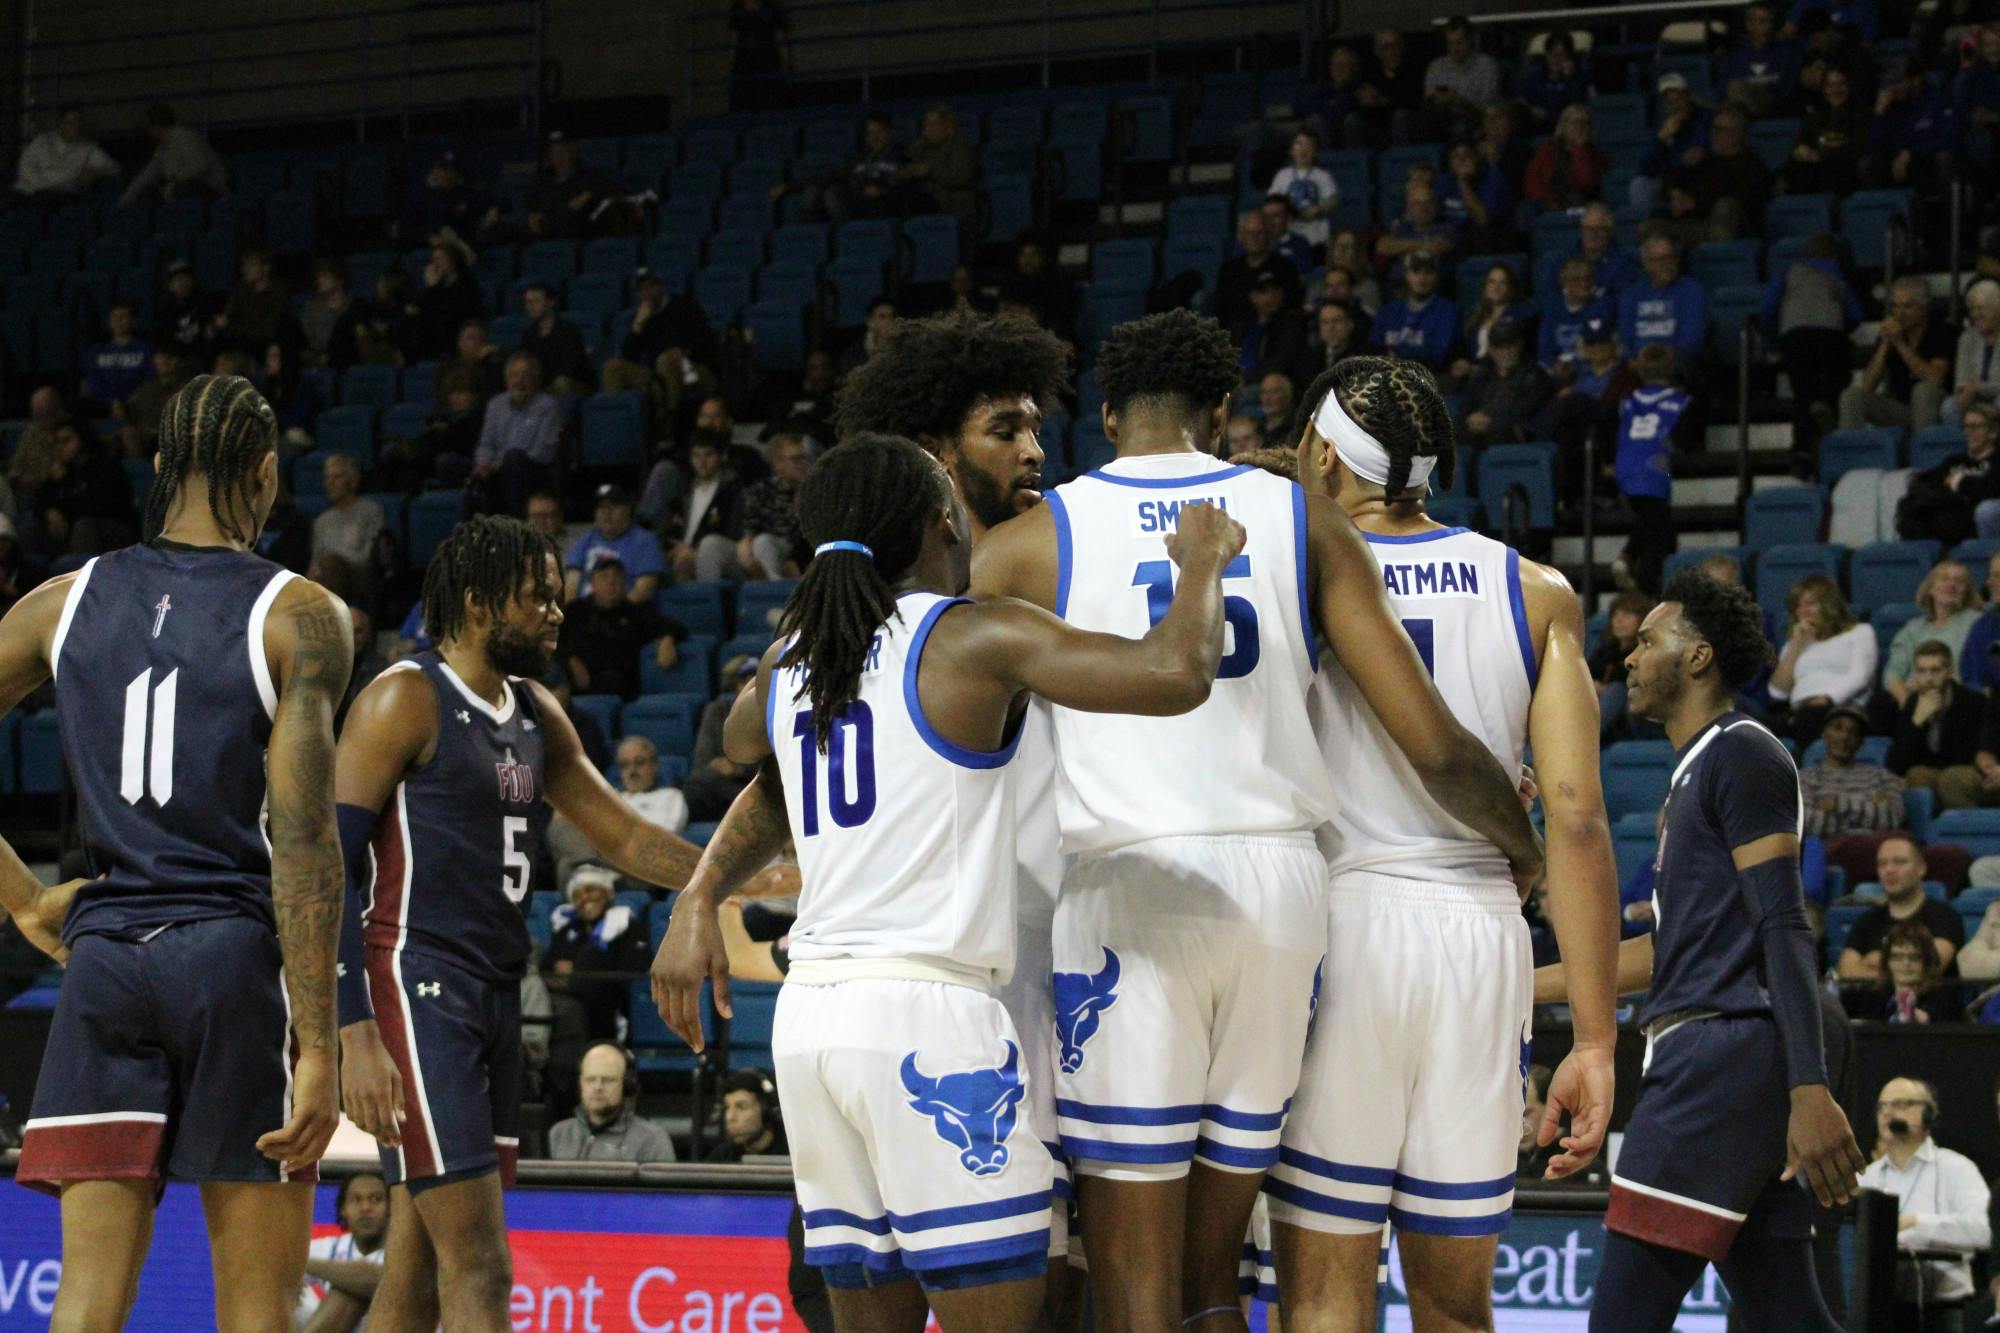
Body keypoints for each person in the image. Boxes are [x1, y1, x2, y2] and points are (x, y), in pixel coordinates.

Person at [969, 316, 1539, 1330]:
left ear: (1108, 416)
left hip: (1129, 888)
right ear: (1223, 411)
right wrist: (1519, 844)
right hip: (1279, 896)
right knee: (1213, 1277)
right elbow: (1434, 743)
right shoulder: (1302, 519)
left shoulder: (1025, 543)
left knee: (1135, 1285)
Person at [653, 431, 1245, 1321]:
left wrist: (699, 892)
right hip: (926, 1016)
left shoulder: (791, 665)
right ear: (942, 521)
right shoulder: (972, 637)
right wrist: (1203, 561)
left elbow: (757, 756)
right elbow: (1176, 671)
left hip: (811, 1023)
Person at [1264, 358, 1618, 1333]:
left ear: (1321, 452)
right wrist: (1593, 1039)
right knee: (1456, 1305)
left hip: (1344, 926)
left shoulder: (1294, 574)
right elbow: (1576, 816)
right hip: (1479, 934)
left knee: (1323, 1295)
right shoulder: (1536, 590)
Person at [0, 374, 351, 1328]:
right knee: (257, 1310)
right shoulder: (300, 613)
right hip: (231, 959)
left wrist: (25, 897)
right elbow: (306, 843)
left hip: (106, 961)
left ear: (160, 466)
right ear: (267, 473)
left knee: (84, 1304)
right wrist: (321, 1044)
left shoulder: (63, 600)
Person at [332, 515, 706, 1331]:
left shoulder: (535, 709)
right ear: (477, 602)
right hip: (418, 983)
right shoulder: (404, 697)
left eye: (558, 596)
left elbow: (625, 836)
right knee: (482, 1265)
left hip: (497, 988)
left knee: (418, 1265)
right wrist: (351, 1028)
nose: (557, 612)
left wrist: (730, 875)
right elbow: (329, 866)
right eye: (538, 597)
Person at [1533, 571, 1863, 1332]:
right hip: (1731, 1052)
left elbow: (1784, 922)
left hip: (1719, 1057)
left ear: (1698, 656)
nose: (1630, 653)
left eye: (1649, 640)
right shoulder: (1698, 769)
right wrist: (1517, 982)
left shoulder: (1742, 752)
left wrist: (1810, 1087)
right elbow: (1671, 951)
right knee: (1788, 1315)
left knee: (1624, 1319)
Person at [830, 307, 1079, 1316]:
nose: (1033, 450)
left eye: (1035, 427)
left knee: (1058, 1289)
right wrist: (701, 892)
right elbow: (771, 770)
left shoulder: (1060, 564)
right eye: (1003, 429)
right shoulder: (870, 615)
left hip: (1049, 969)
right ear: (936, 452)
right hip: (939, 981)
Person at [1857, 1077, 1993, 1329]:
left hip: (1942, 1312)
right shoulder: (1866, 1178)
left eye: (1900, 1104)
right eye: (1882, 1106)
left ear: (1929, 1114)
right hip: (1876, 1309)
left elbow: (1984, 1231)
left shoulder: (1957, 1168)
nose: (1887, 1113)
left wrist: (1915, 1223)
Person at [1761, 233, 1860, 448]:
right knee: (1838, 379)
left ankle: (1803, 449)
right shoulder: (1838, 276)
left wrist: (1771, 343)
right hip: (1831, 335)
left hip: (1794, 336)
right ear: (1835, 256)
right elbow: (1855, 315)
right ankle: (1828, 411)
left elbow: (1767, 308)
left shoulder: (1788, 272)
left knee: (1803, 394)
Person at [1613, 345, 1690, 595]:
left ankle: (1627, 555)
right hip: (1655, 468)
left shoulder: (1627, 401)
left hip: (1626, 466)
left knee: (1649, 521)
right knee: (1661, 537)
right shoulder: (1680, 400)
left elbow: (1606, 427)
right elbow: (1685, 438)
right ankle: (1643, 588)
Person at [1837, 835, 1967, 978]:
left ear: (1921, 868)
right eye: (1882, 864)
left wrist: (1873, 959)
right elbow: (1846, 973)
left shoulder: (1945, 917)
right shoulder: (1865, 921)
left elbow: (1927, 969)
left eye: (1899, 862)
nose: (1889, 870)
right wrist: (1903, 963)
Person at [1771, 573, 1878, 744]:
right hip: (1798, 710)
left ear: (1829, 605)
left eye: (1809, 604)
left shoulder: (1860, 632)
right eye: (1798, 607)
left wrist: (1827, 699)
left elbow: (1861, 677)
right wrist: (1796, 645)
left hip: (1841, 707)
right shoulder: (1794, 644)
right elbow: (1777, 693)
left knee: (1809, 720)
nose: (1802, 612)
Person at [558, 556, 683, 701]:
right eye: (604, 576)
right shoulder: (575, 610)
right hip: (573, 680)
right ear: (593, 584)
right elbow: (548, 639)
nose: (611, 582)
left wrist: (668, 640)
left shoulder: (635, 613)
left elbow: (674, 627)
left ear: (624, 584)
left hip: (616, 685)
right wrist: (570, 660)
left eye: (617, 577)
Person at [1841, 277, 1953, 430]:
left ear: (1924, 306)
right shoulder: (1894, 333)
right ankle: (1849, 444)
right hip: (1901, 408)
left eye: (1907, 306)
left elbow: (1935, 379)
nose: (1900, 313)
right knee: (1852, 396)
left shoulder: (1944, 331)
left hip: (1936, 405)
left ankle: (1924, 444)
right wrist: (1886, 343)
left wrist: (1900, 344)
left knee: (1923, 390)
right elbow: (1867, 385)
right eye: (1895, 306)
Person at [1883, 562, 1984, 719]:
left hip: (1956, 700)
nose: (1951, 585)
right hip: (1911, 699)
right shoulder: (1913, 628)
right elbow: (1893, 673)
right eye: (1944, 578)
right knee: (1880, 704)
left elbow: (1978, 675)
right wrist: (1908, 705)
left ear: (1967, 591)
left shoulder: (1978, 623)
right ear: (1930, 588)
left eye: (1959, 581)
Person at [1889, 640, 1987, 803]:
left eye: (1935, 671)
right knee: (1916, 775)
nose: (1928, 678)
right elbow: (1894, 766)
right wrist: (1917, 722)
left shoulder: (1973, 702)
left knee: (1951, 778)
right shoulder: (1913, 704)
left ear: (1949, 672)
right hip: (1932, 774)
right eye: (1922, 671)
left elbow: (1967, 755)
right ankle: (1927, 821)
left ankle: (1962, 821)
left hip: (1966, 772)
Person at [547, 1044, 678, 1162]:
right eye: (590, 1079)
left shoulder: (652, 1140)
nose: (598, 1087)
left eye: (608, 1080)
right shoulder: (559, 1134)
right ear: (580, 1084)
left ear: (626, 1086)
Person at [295, 1172, 390, 1331]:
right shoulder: (328, 1246)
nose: (365, 1208)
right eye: (356, 1200)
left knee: (348, 1294)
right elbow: (278, 1268)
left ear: (391, 1208)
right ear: (343, 1209)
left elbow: (377, 1281)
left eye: (375, 1199)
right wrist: (286, 1286)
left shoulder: (406, 1250)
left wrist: (304, 1265)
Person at [471, 351, 562, 515]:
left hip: (531, 470)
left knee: (513, 458)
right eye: (514, 375)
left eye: (526, 375)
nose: (519, 381)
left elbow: (544, 451)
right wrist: (484, 463)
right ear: (507, 379)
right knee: (448, 463)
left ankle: (515, 523)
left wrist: (502, 463)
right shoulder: (496, 404)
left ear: (536, 380)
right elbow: (486, 443)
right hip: (495, 470)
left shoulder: (548, 406)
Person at [1901, 403, 2000, 545]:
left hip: (1981, 523)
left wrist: (1958, 482)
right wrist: (1968, 488)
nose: (1968, 432)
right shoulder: (1953, 461)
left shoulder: (1997, 460)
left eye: (1975, 427)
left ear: (1993, 432)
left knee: (1985, 510)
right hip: (1953, 521)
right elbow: (1933, 485)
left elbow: (1991, 488)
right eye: (1965, 427)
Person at [662, 430, 747, 583]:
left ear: (721, 456)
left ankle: (707, 596)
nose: (702, 462)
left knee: (707, 546)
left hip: (723, 552)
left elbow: (732, 532)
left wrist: (693, 550)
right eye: (696, 455)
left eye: (708, 455)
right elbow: (672, 530)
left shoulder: (732, 489)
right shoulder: (684, 491)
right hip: (683, 553)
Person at [563, 483, 664, 604]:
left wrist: (615, 613)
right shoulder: (585, 540)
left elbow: (644, 589)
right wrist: (572, 611)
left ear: (628, 509)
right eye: (601, 507)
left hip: (626, 611)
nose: (607, 512)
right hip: (586, 611)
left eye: (614, 505)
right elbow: (571, 587)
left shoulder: (645, 541)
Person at [1457, 319, 1550, 449]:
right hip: (1476, 428)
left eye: (1509, 346)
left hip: (1511, 432)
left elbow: (1527, 410)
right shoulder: (1482, 374)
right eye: (1499, 347)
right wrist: (1471, 419)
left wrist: (1491, 422)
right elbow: (1466, 406)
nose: (1505, 352)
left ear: (1519, 345)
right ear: (1490, 349)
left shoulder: (1535, 375)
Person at [1847, 921, 1966, 1023]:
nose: (1905, 964)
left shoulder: (1945, 999)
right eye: (1897, 957)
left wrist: (1922, 1018)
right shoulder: (1873, 998)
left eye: (1914, 957)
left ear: (1927, 962)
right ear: (1887, 962)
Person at [1617, 231, 1707, 363]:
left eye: (1670, 257)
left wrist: (1663, 361)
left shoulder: (1692, 291)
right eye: (1660, 260)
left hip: (1676, 363)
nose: (1667, 264)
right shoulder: (1631, 295)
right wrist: (1636, 360)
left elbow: (1691, 340)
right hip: (1639, 364)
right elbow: (1626, 338)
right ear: (1647, 264)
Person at [119, 103, 227, 205]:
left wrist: (174, 181)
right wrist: (126, 199)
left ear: (156, 126)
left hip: (212, 190)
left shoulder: (185, 137)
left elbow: (200, 166)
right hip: (188, 191)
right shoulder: (163, 148)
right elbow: (147, 175)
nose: (148, 131)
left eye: (149, 127)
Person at [1214, 211, 1302, 333]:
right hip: (1236, 332)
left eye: (1259, 233)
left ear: (1269, 235)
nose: (1254, 238)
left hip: (1277, 331)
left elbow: (1292, 305)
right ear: (1241, 237)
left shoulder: (1285, 268)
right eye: (1249, 233)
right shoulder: (1229, 270)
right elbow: (1221, 309)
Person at [737, 433, 810, 579]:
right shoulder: (761, 490)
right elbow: (750, 524)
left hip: (799, 550)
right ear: (778, 463)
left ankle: (775, 587)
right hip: (765, 548)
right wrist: (746, 541)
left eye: (804, 458)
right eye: (796, 459)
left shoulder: (812, 491)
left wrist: (796, 560)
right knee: (759, 543)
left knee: (763, 542)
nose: (802, 464)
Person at [1786, 66, 1868, 196]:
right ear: (1823, 89)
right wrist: (1801, 151)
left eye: (1841, 84)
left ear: (1849, 86)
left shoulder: (1861, 116)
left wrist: (1821, 156)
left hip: (1846, 175)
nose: (1836, 90)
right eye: (1830, 86)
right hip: (1816, 174)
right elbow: (1801, 144)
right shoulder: (1814, 118)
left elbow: (1859, 149)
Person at [1370, 253, 1457, 371]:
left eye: (1429, 273)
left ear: (1437, 276)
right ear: (1406, 275)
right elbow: (1373, 347)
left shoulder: (1447, 311)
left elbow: (1439, 355)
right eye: (1416, 272)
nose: (1422, 278)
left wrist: (1397, 354)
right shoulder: (1388, 311)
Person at [895, 103, 980, 223]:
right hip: (925, 198)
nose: (929, 129)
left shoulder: (961, 148)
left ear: (948, 127)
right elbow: (903, 167)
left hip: (952, 202)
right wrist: (906, 172)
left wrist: (931, 171)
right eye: (926, 124)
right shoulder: (919, 147)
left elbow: (961, 177)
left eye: (935, 124)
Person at [1422, 16, 1502, 142]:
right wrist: (1436, 98)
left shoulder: (1487, 65)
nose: (1455, 49)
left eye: (1459, 43)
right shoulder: (1436, 66)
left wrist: (1459, 101)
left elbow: (1487, 107)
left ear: (1470, 40)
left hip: (1474, 120)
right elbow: (1428, 97)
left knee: (1463, 126)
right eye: (1450, 43)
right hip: (1441, 119)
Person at [310, 453, 385, 585]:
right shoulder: (321, 521)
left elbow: (370, 557)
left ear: (353, 481)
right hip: (327, 576)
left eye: (337, 477)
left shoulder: (371, 511)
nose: (330, 483)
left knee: (330, 564)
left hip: (360, 577)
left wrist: (336, 561)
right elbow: (315, 562)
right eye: (327, 478)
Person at [13, 108, 118, 200]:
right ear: (61, 124)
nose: (74, 126)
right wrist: (47, 186)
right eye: (69, 123)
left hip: (61, 197)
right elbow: (25, 169)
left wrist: (95, 172)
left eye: (77, 122)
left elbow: (113, 168)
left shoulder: (88, 148)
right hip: (30, 192)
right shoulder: (42, 141)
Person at [1720, 1, 1802, 116]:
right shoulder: (1734, 55)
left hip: (1776, 111)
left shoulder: (1786, 54)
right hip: (1737, 113)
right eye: (1752, 20)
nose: (1756, 26)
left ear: (1773, 24)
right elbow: (1722, 90)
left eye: (1762, 21)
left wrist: (1758, 91)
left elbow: (1785, 90)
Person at [1523, 104, 1607, 211]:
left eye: (1584, 122)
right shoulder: (1548, 149)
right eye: (1574, 122)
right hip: (1547, 199)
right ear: (1564, 125)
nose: (1579, 126)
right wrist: (1550, 200)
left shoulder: (1594, 153)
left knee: (1576, 200)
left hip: (1579, 199)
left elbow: (1586, 182)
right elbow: (1531, 180)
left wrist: (1579, 149)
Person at [1538, 257, 1612, 375]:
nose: (1584, 284)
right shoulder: (1553, 309)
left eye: (1588, 278)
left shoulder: (1602, 308)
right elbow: (1545, 350)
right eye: (1576, 279)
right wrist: (1553, 365)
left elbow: (1598, 349)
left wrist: (1573, 365)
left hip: (1589, 370)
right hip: (1557, 371)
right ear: (1563, 282)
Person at [1266, 130, 1339, 250]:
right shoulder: (1282, 175)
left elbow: (1332, 200)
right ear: (1291, 151)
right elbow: (1272, 201)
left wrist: (1319, 209)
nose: (1303, 149)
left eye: (1308, 144)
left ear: (1316, 152)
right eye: (1299, 144)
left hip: (1316, 235)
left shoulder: (1323, 176)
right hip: (1289, 233)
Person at [520, 282, 593, 396]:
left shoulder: (568, 330)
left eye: (536, 301)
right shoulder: (529, 333)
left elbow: (570, 367)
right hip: (542, 383)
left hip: (573, 382)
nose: (530, 306)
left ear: (550, 302)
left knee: (561, 382)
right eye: (528, 302)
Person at [83, 301, 154, 415]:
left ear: (133, 320)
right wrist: (112, 402)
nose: (118, 320)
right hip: (103, 405)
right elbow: (93, 381)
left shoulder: (145, 349)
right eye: (114, 316)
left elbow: (149, 380)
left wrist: (132, 400)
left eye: (124, 316)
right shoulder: (97, 350)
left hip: (136, 406)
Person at [1948, 281, 2000, 429]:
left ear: (1997, 308)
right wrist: (1964, 391)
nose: (1975, 315)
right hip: (1973, 398)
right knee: (1949, 406)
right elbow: (1960, 380)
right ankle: (1965, 442)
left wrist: (1978, 388)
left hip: (1995, 395)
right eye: (1972, 309)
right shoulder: (1967, 338)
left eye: (1981, 308)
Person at [706, 1071, 789, 1163]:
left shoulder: (793, 1153)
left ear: (766, 1111)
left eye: (741, 1107)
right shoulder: (722, 1157)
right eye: (727, 1107)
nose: (730, 1117)